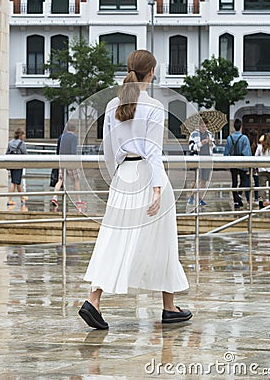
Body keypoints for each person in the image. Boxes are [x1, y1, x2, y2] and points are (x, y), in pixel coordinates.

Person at [78, 49, 191, 330]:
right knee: (165, 240)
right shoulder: (153, 107)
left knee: (114, 239)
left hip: (124, 175)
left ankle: (94, 299)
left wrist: (118, 175)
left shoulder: (113, 106)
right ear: (151, 72)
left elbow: (108, 150)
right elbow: (153, 151)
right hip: (149, 176)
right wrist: (155, 188)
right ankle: (169, 306)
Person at [51, 123, 85, 212]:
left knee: (60, 180)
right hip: (70, 162)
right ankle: (78, 201)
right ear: (74, 130)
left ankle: (55, 197)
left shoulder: (61, 137)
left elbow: (57, 150)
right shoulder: (74, 138)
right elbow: (73, 151)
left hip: (62, 161)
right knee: (76, 180)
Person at [187, 118, 215, 206]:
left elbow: (214, 146)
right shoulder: (194, 134)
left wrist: (210, 143)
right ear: (199, 126)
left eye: (206, 127)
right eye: (203, 126)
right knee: (197, 179)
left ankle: (200, 198)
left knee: (204, 180)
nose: (204, 128)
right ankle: (191, 196)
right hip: (198, 160)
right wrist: (201, 144)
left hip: (207, 159)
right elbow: (191, 148)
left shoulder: (210, 134)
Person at [224, 118, 251, 208]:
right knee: (243, 180)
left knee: (234, 182)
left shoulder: (229, 138)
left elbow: (226, 152)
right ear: (241, 127)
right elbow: (247, 152)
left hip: (232, 162)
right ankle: (239, 195)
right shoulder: (244, 138)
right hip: (242, 162)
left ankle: (236, 200)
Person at [6, 128, 28, 211]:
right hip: (19, 164)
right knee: (14, 182)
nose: (24, 136)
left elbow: (7, 153)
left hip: (12, 164)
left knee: (17, 181)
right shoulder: (21, 143)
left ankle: (22, 198)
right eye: (23, 134)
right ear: (20, 135)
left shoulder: (10, 143)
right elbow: (25, 153)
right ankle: (9, 200)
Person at [255, 133, 270, 207]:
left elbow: (255, 156)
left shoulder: (259, 147)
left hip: (262, 170)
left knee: (261, 187)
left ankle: (261, 202)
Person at [245, 129, 259, 204]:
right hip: (256, 167)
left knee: (247, 184)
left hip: (247, 165)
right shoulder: (257, 145)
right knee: (257, 184)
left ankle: (248, 200)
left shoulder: (247, 144)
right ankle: (257, 199)